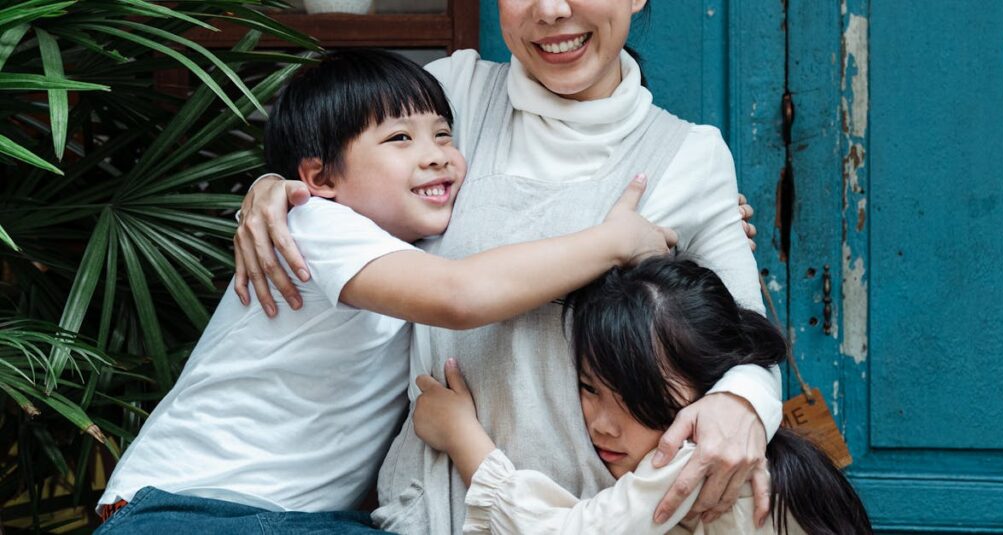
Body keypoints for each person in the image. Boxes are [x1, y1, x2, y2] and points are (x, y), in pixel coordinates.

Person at [235, 1, 781, 532]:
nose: (550, 11)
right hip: (427, 508)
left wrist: (742, 403)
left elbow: (749, 341)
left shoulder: (690, 155)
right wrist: (273, 189)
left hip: (590, 514)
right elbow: (347, 175)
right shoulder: (454, 96)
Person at [94, 49, 676, 534]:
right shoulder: (315, 225)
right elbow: (462, 295)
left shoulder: (412, 248)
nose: (437, 155)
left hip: (295, 520)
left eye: (444, 135)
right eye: (400, 138)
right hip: (187, 509)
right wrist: (615, 241)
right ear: (320, 179)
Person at [413, 257, 872, 534]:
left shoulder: (695, 460)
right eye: (590, 388)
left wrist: (461, 436)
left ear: (711, 388)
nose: (602, 424)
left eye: (635, 399)